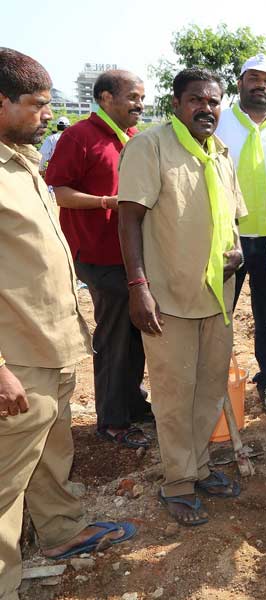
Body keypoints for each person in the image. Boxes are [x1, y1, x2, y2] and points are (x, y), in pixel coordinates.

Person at [0, 47, 136, 600]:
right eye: (34, 105)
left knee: (51, 453)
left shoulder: (19, 160)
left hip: (50, 345)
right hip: (16, 359)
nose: (45, 116)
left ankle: (58, 532)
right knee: (5, 484)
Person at [117, 68, 246, 526]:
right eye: (196, 100)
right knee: (174, 395)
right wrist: (138, 287)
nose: (206, 109)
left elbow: (231, 221)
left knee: (208, 391)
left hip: (216, 298)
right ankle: (177, 483)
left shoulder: (221, 154)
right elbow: (128, 220)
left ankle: (200, 467)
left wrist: (235, 252)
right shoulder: (149, 147)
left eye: (213, 102)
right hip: (166, 298)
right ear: (176, 104)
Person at [45, 69, 151, 450]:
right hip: (97, 255)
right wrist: (108, 203)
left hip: (132, 255)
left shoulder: (135, 139)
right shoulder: (79, 137)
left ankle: (133, 404)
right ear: (106, 98)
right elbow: (61, 193)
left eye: (142, 98)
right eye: (133, 97)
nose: (140, 104)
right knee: (114, 335)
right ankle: (111, 420)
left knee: (137, 330)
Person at [215, 54, 266, 416]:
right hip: (224, 238)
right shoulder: (217, 122)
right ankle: (212, 385)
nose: (262, 85)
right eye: (254, 78)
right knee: (217, 315)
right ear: (240, 83)